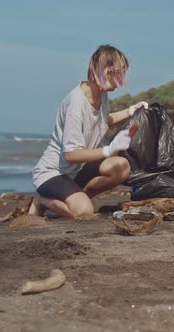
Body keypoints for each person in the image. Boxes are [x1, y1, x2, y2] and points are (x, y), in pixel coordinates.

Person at [28, 45, 148, 218]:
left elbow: (102, 120)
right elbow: (70, 154)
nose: (119, 81)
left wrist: (131, 110)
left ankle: (77, 198)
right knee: (84, 212)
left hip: (77, 171)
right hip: (53, 173)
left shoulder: (101, 95)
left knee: (121, 167)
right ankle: (42, 200)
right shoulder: (76, 103)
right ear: (101, 70)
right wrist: (109, 150)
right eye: (116, 73)